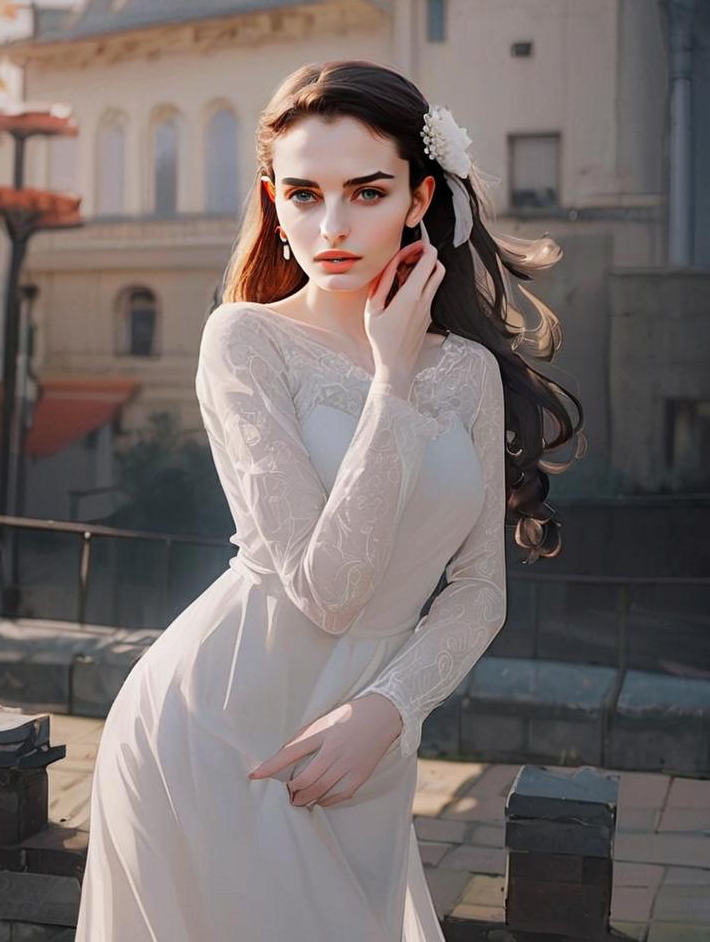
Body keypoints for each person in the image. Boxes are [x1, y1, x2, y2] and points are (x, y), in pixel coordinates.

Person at [75, 59, 583, 941]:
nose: (333, 225)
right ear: (272, 202)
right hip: (219, 734)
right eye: (304, 194)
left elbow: (478, 592)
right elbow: (328, 591)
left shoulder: (467, 372)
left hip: (367, 756)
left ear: (420, 198)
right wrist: (390, 381)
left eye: (367, 192)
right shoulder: (245, 341)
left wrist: (389, 711)